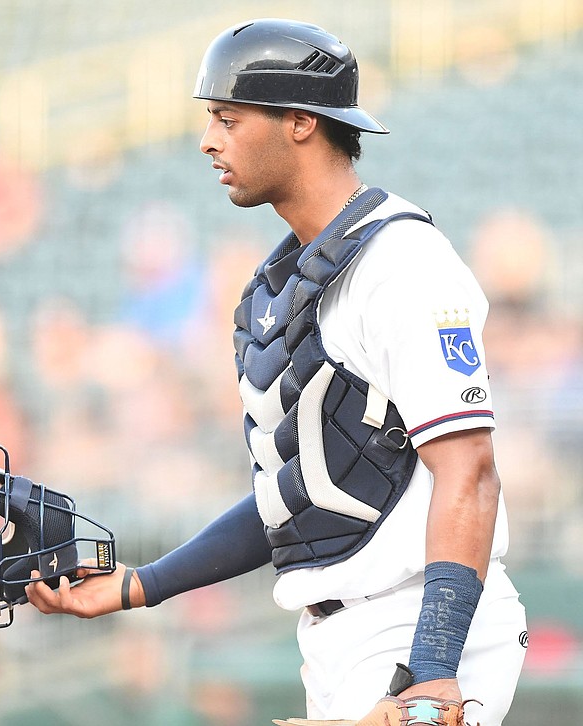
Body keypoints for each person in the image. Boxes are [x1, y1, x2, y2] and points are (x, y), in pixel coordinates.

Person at [26, 18, 527, 724]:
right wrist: (140, 585)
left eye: (228, 119)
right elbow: (300, 496)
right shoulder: (280, 285)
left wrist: (432, 673)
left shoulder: (402, 264)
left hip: (420, 629)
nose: (209, 140)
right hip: (335, 640)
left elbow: (470, 468)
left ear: (299, 122)